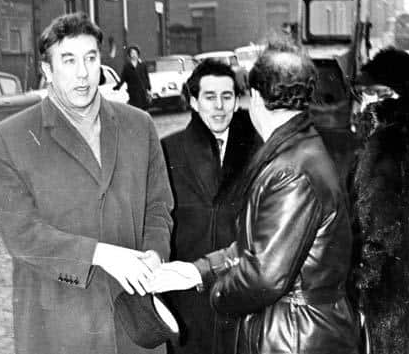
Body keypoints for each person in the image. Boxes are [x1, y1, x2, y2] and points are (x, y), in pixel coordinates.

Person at [150, 41, 359, 354]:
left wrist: (214, 296)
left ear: (256, 97)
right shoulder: (299, 150)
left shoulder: (290, 169)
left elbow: (264, 275)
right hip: (296, 330)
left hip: (294, 338)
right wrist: (198, 271)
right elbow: (262, 247)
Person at [0, 12, 173, 354]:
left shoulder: (140, 126)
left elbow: (158, 207)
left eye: (91, 58)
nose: (83, 73)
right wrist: (100, 254)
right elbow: (23, 235)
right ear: (47, 71)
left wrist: (155, 253)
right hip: (59, 330)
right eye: (68, 61)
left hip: (135, 325)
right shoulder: (9, 139)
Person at [161, 59, 260, 354]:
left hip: (239, 289)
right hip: (188, 292)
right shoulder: (168, 150)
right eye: (210, 97)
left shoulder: (258, 148)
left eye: (226, 97)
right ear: (193, 101)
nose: (219, 106)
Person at [350, 47, 409, 354]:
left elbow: (380, 230)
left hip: (390, 299)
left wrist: (358, 286)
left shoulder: (384, 144)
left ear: (388, 95)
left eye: (368, 92)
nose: (360, 101)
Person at [114, 45, 152, 110]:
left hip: (142, 90)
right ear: (129, 55)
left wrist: (148, 88)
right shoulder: (127, 66)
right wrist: (118, 86)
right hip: (133, 91)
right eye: (132, 53)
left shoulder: (142, 65)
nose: (134, 55)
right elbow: (123, 78)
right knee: (135, 107)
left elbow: (146, 77)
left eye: (135, 53)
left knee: (144, 107)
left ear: (138, 54)